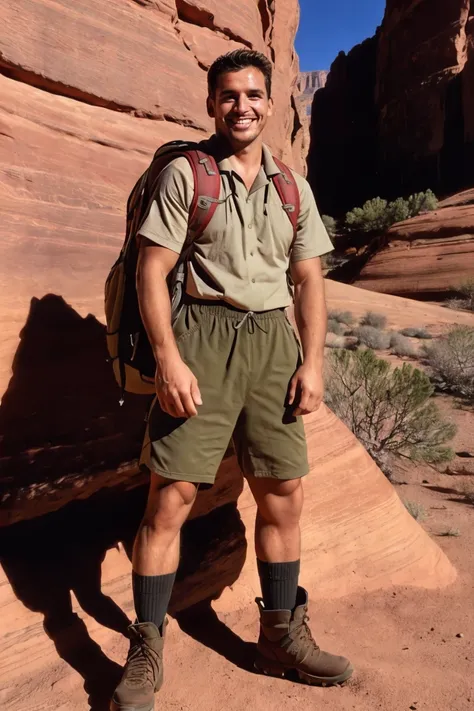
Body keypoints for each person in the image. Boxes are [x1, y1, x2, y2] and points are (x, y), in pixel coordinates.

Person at [111, 48, 353, 711]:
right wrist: (169, 358)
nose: (241, 105)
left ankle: (280, 633)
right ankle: (146, 646)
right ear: (211, 104)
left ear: (272, 105)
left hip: (274, 344)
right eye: (228, 95)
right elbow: (151, 271)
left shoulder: (292, 187)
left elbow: (308, 280)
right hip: (202, 341)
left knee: (284, 495)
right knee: (170, 501)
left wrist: (314, 359)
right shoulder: (189, 176)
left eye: (252, 94)